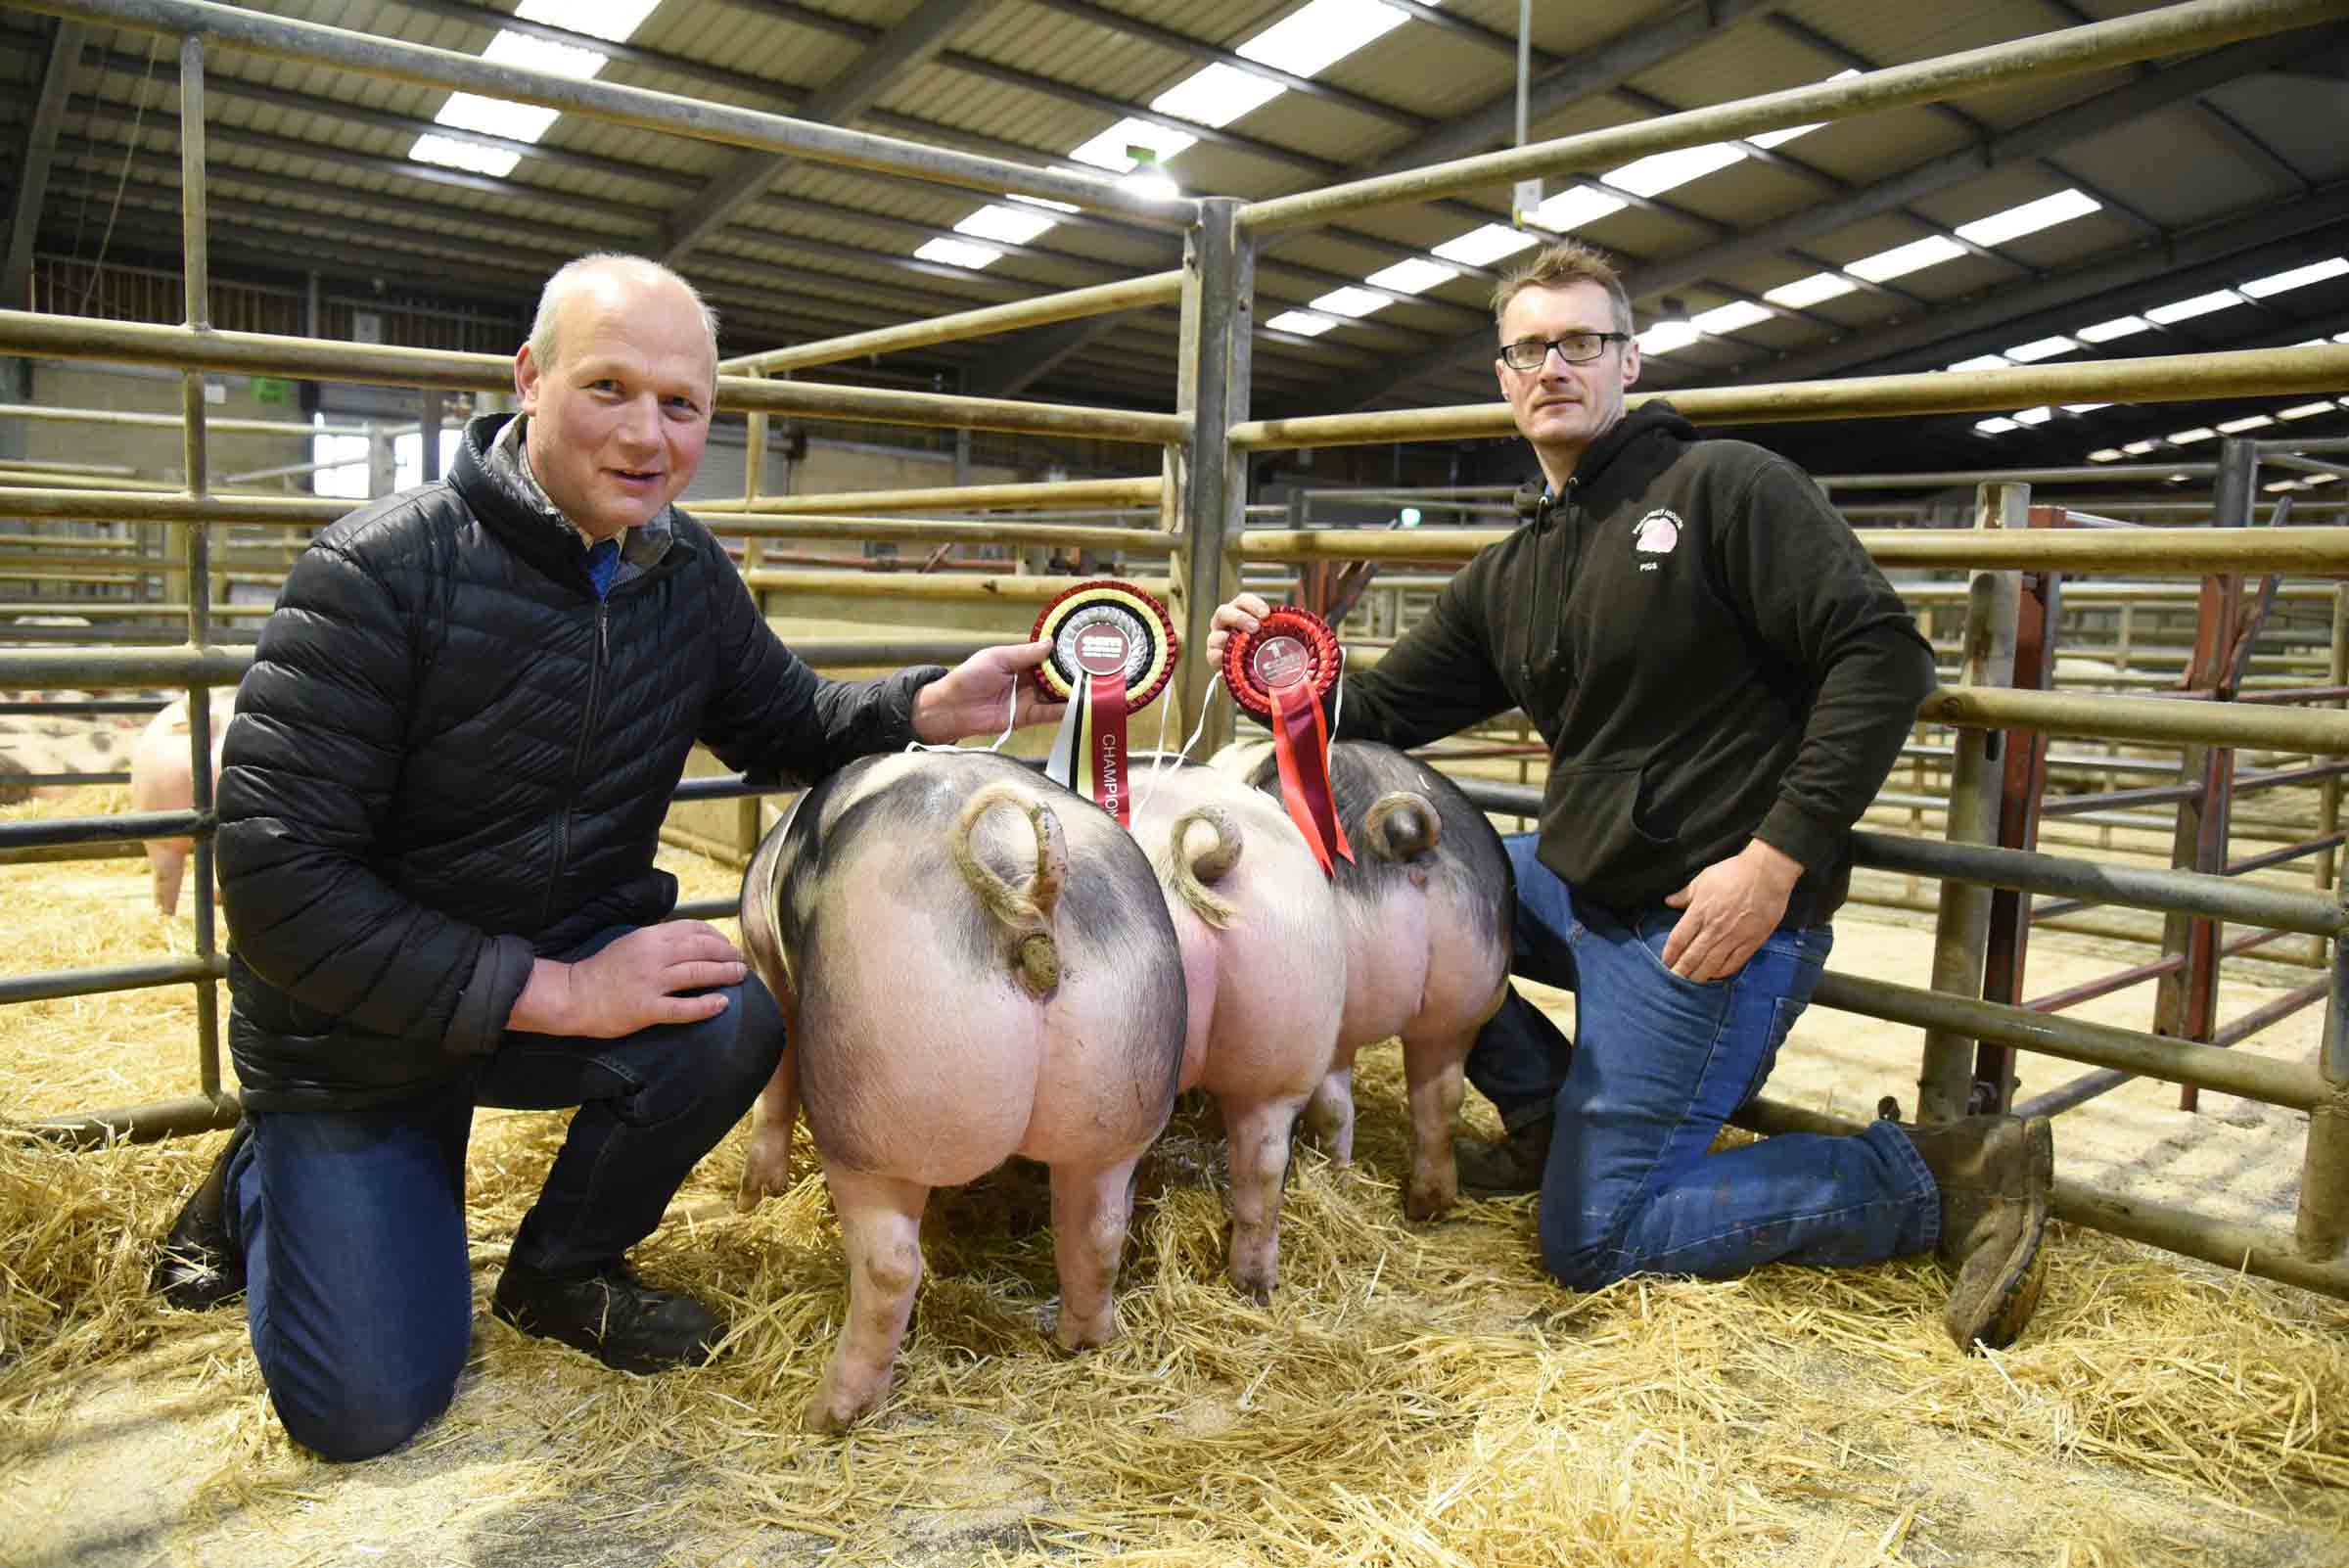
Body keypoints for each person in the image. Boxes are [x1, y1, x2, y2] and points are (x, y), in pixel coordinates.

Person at [150, 253, 1069, 1461]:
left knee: (731, 1010)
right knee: (367, 1412)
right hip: (357, 1029)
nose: (647, 436)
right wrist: (566, 993)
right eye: (608, 388)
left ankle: (566, 1270)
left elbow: (783, 721)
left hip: (548, 966)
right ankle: (269, 1170)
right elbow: (278, 887)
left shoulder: (681, 573)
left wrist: (926, 707)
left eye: (681, 405)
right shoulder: (377, 573)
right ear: (530, 380)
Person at [1207, 240, 2054, 1354]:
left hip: (1708, 920)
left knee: (1599, 1239)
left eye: (1580, 343)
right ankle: (1550, 1110)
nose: (1553, 365)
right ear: (1503, 377)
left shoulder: (1724, 489)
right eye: (1529, 348)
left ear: (1628, 361)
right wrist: (1278, 678)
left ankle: (1941, 1177)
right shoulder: (1515, 570)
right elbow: (1379, 711)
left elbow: (1884, 658)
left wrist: (1774, 860)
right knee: (1391, 882)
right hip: (1578, 882)